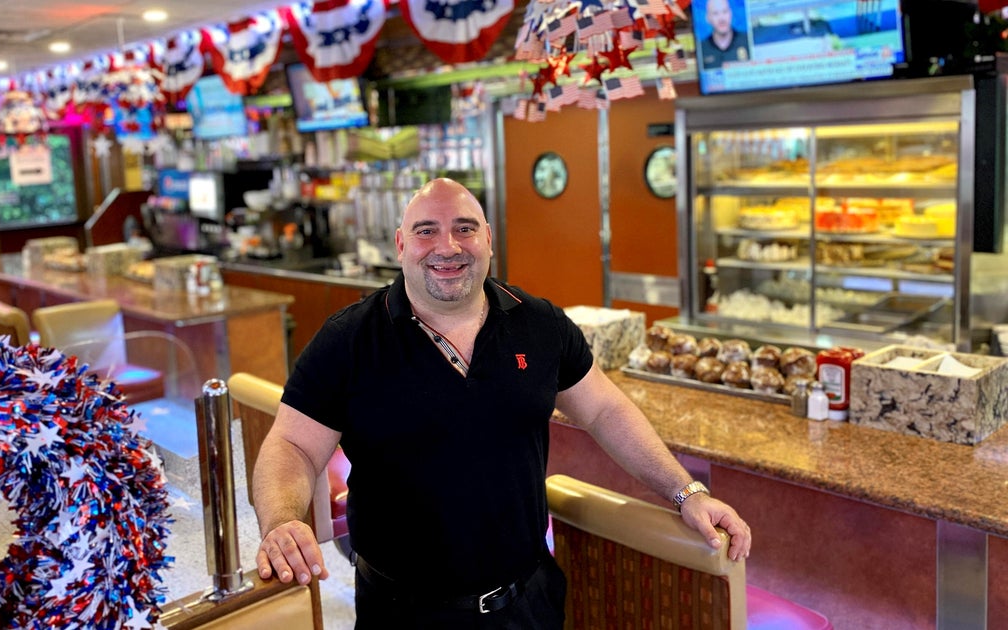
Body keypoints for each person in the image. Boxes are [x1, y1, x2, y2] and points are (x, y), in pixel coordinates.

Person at [251, 178, 752, 628]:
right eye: (426, 231)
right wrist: (283, 520)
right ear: (401, 244)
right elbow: (292, 444)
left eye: (464, 229)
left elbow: (606, 411)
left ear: (488, 238)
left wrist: (687, 492)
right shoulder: (349, 340)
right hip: (400, 612)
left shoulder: (540, 324)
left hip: (526, 605)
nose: (447, 246)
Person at [699, 0, 749, 69]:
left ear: (730, 14)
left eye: (725, 12)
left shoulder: (747, 41)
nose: (721, 18)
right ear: (708, 18)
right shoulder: (702, 48)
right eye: (715, 13)